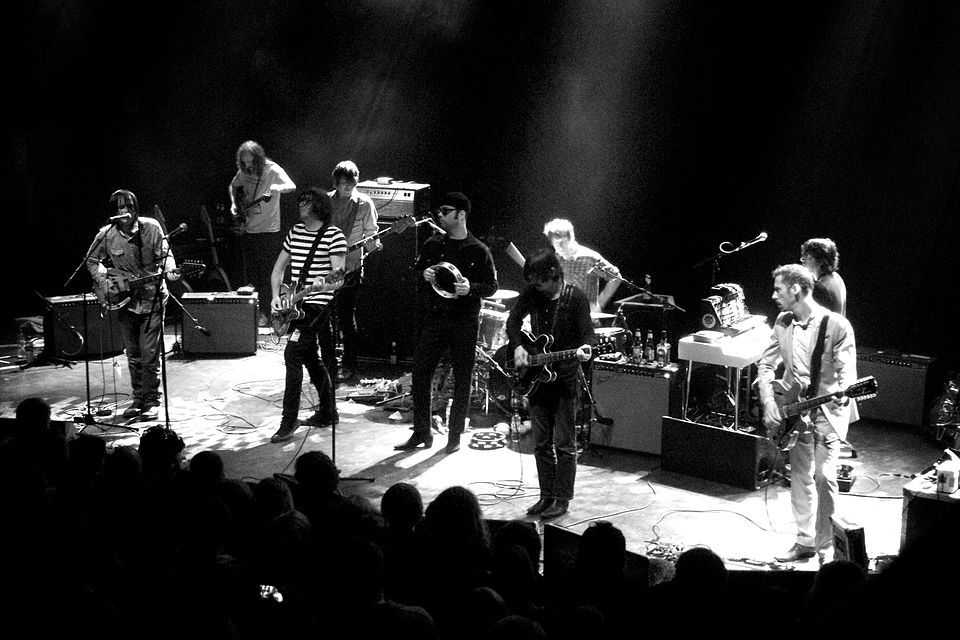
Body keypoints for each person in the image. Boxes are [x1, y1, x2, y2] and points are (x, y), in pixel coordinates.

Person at [756, 264, 859, 564]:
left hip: (827, 411)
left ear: (796, 290)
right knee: (800, 477)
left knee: (825, 476)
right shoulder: (782, 322)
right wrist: (769, 402)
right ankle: (805, 541)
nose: (774, 295)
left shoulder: (837, 325)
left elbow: (847, 372)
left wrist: (845, 390)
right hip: (795, 411)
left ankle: (827, 549)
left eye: (778, 289)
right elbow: (766, 366)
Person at [395, 192, 498, 454]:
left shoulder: (479, 249)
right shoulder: (433, 244)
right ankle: (422, 432)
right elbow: (415, 272)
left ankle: (454, 436)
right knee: (421, 373)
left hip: (463, 320)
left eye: (445, 210)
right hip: (435, 318)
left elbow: (492, 286)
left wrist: (471, 289)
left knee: (463, 377)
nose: (439, 215)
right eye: (439, 210)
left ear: (461, 214)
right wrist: (424, 273)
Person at [507, 248, 595, 520]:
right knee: (541, 443)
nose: (537, 287)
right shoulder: (533, 294)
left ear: (553, 273)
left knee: (565, 444)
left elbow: (588, 334)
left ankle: (562, 499)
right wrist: (518, 346)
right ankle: (546, 495)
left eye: (540, 282)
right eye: (533, 283)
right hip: (537, 380)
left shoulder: (575, 297)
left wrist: (586, 350)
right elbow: (513, 320)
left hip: (565, 379)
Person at [86, 189, 180, 421]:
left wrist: (170, 270)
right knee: (133, 354)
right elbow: (91, 261)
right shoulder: (106, 234)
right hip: (124, 301)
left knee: (150, 354)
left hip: (152, 298)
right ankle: (138, 399)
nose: (125, 211)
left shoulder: (152, 227)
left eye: (129, 206)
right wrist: (105, 282)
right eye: (120, 207)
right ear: (114, 212)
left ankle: (152, 401)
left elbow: (166, 256)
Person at [268, 187, 346, 443]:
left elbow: (338, 279)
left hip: (318, 305)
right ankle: (328, 412)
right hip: (296, 303)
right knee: (310, 357)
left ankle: (289, 420)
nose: (301, 205)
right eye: (300, 201)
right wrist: (276, 296)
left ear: (319, 207)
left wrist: (320, 286)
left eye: (307, 202)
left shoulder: (334, 236)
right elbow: (278, 269)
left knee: (292, 353)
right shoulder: (295, 232)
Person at [321, 160, 382, 383]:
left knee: (346, 318)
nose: (347, 186)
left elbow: (372, 235)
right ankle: (327, 363)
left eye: (351, 182)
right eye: (343, 182)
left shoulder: (364, 204)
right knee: (323, 318)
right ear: (335, 182)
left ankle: (349, 365)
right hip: (324, 267)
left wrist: (373, 245)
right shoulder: (325, 202)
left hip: (351, 269)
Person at [228, 140, 297, 327]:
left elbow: (291, 185)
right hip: (249, 229)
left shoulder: (272, 169)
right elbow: (233, 186)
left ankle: (270, 312)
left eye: (251, 162)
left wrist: (277, 188)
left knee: (269, 274)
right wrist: (234, 204)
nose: (248, 166)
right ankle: (257, 314)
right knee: (252, 276)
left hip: (269, 231)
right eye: (244, 163)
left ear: (258, 158)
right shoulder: (243, 172)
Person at [542, 218, 622, 314]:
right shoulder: (555, 258)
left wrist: (600, 303)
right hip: (563, 315)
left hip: (585, 316)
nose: (560, 247)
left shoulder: (589, 258)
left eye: (563, 242)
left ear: (571, 238)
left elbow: (616, 277)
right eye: (556, 243)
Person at [801, 237, 847, 316]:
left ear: (821, 260)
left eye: (807, 256)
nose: (802, 259)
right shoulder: (836, 277)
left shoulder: (819, 287)